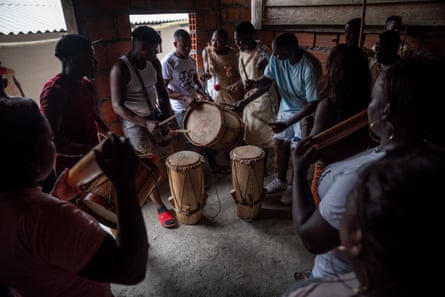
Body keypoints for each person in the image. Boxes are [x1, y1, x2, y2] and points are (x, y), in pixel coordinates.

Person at [291, 55, 445, 279]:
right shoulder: (426, 160)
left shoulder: (364, 180)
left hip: (341, 278)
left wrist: (297, 171)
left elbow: (311, 238)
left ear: (385, 110)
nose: (367, 108)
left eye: (373, 99)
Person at [0, 96, 148, 296]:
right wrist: (124, 184)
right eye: (50, 139)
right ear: (33, 159)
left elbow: (32, 246)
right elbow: (131, 270)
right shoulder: (50, 217)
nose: (53, 147)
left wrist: (56, 197)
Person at [283, 146, 444, 297]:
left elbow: (311, 240)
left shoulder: (306, 292)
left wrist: (299, 172)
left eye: (347, 214)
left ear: (356, 240)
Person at [233, 31, 322, 205]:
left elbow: (313, 103)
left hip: (305, 111)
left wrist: (287, 123)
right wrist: (254, 85)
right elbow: (267, 81)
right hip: (286, 108)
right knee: (281, 143)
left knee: (298, 150)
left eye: (278, 52)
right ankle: (281, 181)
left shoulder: (309, 67)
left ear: (292, 51)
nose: (274, 55)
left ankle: (294, 185)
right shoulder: (277, 59)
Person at [110, 26, 177, 228]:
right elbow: (117, 106)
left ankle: (178, 193)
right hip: (135, 123)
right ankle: (159, 207)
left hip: (155, 117)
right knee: (147, 166)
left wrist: (167, 117)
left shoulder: (153, 63)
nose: (157, 53)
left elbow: (162, 93)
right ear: (142, 46)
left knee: (167, 156)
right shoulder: (120, 69)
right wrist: (144, 123)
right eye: (154, 49)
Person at [305, 44, 374, 206]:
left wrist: (306, 130)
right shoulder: (370, 103)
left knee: (322, 218)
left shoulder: (329, 105)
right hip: (358, 170)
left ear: (334, 70)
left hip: (328, 172)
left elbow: (313, 151)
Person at [40, 34, 108, 186]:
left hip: (91, 162)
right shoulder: (54, 92)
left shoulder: (86, 84)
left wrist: (108, 133)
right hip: (71, 171)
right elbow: (52, 140)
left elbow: (90, 115)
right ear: (72, 59)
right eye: (89, 57)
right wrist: (90, 151)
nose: (96, 63)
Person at [161, 29, 225, 172]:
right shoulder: (168, 62)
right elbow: (163, 90)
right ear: (175, 44)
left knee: (207, 134)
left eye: (189, 45)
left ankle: (213, 166)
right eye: (184, 45)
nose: (188, 48)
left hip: (195, 104)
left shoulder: (191, 60)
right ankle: (195, 175)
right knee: (192, 141)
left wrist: (204, 94)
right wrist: (184, 97)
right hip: (181, 109)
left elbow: (195, 82)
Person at [232, 21, 279, 176]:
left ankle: (277, 175)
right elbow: (249, 77)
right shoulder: (242, 52)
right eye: (236, 40)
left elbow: (265, 84)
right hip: (250, 103)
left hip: (264, 102)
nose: (238, 43)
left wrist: (244, 102)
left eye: (241, 39)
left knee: (269, 141)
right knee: (254, 138)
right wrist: (237, 84)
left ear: (252, 36)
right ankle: (260, 170)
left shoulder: (263, 55)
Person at [200, 28, 244, 106]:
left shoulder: (234, 55)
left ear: (225, 42)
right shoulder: (207, 52)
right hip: (213, 96)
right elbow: (207, 70)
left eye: (218, 41)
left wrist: (236, 85)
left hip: (229, 95)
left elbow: (239, 74)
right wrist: (206, 74)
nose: (214, 44)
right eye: (213, 40)